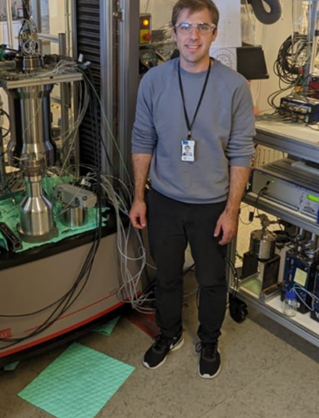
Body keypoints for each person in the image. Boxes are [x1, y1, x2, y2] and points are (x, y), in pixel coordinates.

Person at [130, 0, 255, 379]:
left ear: (214, 33)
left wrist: (231, 210)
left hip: (211, 205)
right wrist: (139, 195)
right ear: (174, 31)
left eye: (202, 27)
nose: (193, 36)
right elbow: (142, 139)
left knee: (211, 279)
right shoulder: (153, 81)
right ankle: (169, 334)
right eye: (186, 27)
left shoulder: (234, 86)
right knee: (166, 276)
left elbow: (241, 150)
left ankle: (210, 339)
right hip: (164, 200)